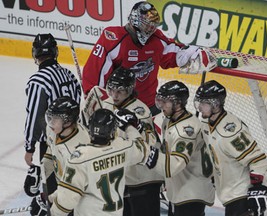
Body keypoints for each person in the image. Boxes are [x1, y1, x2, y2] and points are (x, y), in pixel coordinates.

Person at [82, 1, 216, 116]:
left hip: (149, 107)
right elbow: (94, 74)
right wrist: (95, 101)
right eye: (147, 25)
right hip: (119, 107)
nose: (151, 29)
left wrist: (192, 53)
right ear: (135, 21)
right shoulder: (113, 39)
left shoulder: (157, 39)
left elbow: (175, 55)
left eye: (153, 25)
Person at [82, 66, 164, 216]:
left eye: (120, 91)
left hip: (144, 178)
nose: (114, 94)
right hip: (123, 178)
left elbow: (149, 143)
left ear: (130, 89)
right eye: (111, 89)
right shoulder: (106, 104)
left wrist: (136, 126)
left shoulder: (140, 110)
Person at [47, 108, 149, 215]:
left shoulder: (81, 157)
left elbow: (68, 198)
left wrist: (53, 211)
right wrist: (129, 127)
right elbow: (144, 150)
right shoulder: (122, 147)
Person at [193, 80, 267, 216]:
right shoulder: (206, 122)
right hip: (228, 193)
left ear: (215, 104)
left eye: (203, 103)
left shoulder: (231, 132)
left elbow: (258, 159)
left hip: (241, 195)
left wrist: (257, 189)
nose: (199, 107)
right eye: (199, 102)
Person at [145, 80, 215, 216]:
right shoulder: (169, 120)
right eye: (160, 101)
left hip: (191, 193)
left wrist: (145, 153)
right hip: (180, 188)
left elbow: (173, 166)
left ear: (177, 103)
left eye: (165, 102)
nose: (161, 105)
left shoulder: (185, 131)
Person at [24, 33, 81, 194]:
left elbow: (34, 116)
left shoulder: (38, 81)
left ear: (35, 54)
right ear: (55, 52)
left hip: (51, 145)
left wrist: (30, 148)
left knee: (52, 189)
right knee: (72, 184)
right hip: (75, 139)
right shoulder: (69, 74)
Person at [26, 96, 90, 216]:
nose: (50, 122)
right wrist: (42, 169)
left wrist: (49, 199)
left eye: (55, 119)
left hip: (80, 200)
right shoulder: (54, 129)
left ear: (68, 121)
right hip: (65, 188)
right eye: (49, 118)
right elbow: (52, 150)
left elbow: (73, 188)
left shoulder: (78, 152)